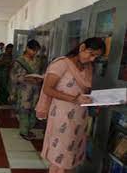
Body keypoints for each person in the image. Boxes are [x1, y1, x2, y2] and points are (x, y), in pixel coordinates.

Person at [36, 37, 105, 173]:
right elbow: (48, 89)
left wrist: (99, 100)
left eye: (96, 57)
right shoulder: (61, 64)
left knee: (72, 152)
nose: (92, 59)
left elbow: (85, 91)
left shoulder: (88, 67)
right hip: (62, 115)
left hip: (80, 116)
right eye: (91, 54)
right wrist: (74, 99)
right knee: (61, 152)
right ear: (81, 48)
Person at [10, 39, 42, 141]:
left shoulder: (37, 61)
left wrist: (39, 78)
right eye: (33, 50)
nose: (35, 53)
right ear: (27, 48)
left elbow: (39, 73)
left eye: (36, 51)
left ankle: (29, 129)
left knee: (33, 110)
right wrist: (24, 78)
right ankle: (24, 131)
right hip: (24, 90)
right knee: (24, 110)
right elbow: (13, 76)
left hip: (35, 89)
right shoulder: (19, 61)